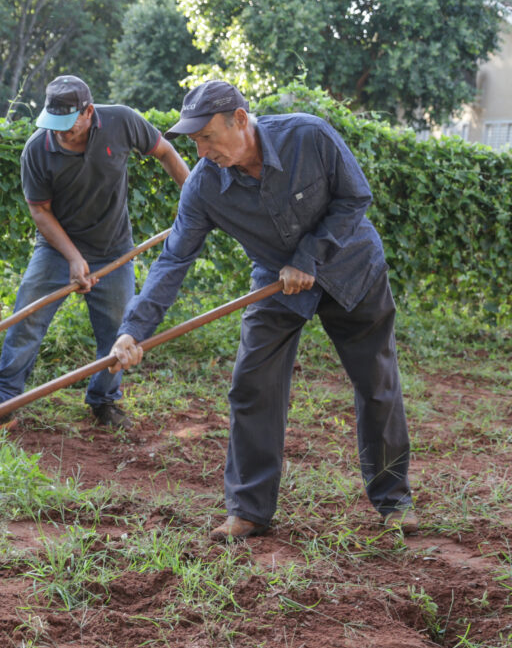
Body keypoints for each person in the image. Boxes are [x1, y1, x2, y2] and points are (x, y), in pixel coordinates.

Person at [109, 80, 417, 540]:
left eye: (207, 137)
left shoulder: (308, 135)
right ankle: (249, 510)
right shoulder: (204, 187)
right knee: (252, 384)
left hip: (352, 270)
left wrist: (309, 255)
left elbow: (355, 197)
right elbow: (174, 258)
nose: (200, 150)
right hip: (276, 282)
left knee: (377, 384)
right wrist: (134, 328)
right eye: (193, 141)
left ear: (239, 119)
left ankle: (394, 501)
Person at [0, 75, 190, 430]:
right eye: (54, 125)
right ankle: (2, 401)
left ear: (89, 112)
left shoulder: (122, 121)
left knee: (118, 331)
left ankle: (103, 402)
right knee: (27, 320)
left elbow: (166, 152)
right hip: (56, 248)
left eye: (68, 125)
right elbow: (40, 211)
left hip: (114, 248)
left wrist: (194, 202)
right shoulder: (37, 149)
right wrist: (72, 257)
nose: (61, 134)